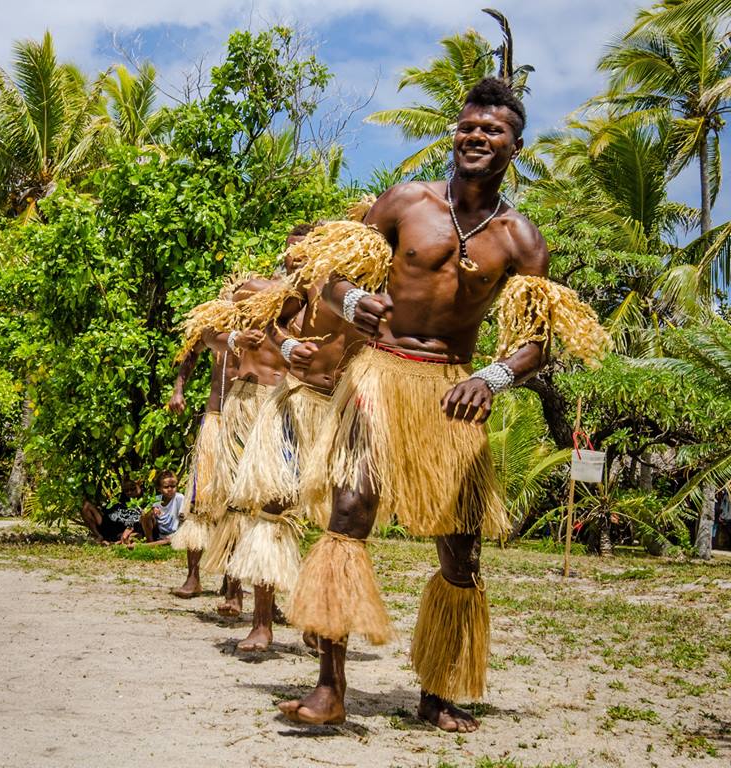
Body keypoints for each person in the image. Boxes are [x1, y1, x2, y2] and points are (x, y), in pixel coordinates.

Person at [277, 77, 609, 730]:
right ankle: (330, 688)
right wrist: (351, 302)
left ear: (516, 146)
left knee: (461, 551)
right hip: (379, 373)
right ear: (455, 134)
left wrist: (490, 377)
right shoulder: (407, 201)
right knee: (348, 511)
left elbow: (539, 340)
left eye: (492, 131)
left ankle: (438, 691)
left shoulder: (520, 238)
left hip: (453, 387)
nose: (476, 137)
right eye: (468, 127)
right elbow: (329, 274)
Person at [225, 217, 369, 651]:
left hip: (343, 408)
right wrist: (287, 346)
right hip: (297, 400)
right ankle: (262, 623)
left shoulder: (378, 283)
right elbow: (271, 322)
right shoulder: (311, 282)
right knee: (273, 505)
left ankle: (316, 616)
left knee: (336, 519)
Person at [200, 264, 297, 619]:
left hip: (287, 403)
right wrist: (233, 340)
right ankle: (233, 588)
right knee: (237, 496)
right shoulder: (253, 291)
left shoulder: (315, 303)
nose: (298, 264)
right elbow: (208, 334)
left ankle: (267, 598)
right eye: (294, 256)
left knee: (276, 503)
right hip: (248, 399)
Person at [167, 278, 244, 598]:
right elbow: (190, 354)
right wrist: (178, 389)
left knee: (239, 503)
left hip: (244, 421)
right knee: (200, 499)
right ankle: (193, 576)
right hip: (214, 420)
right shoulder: (212, 329)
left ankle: (233, 579)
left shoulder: (259, 329)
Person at [136, 470, 184, 545]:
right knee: (145, 514)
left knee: (169, 541)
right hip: (161, 534)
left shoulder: (179, 498)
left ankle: (146, 546)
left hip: (176, 534)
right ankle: (150, 541)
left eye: (173, 486)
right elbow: (143, 517)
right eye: (166, 487)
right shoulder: (156, 500)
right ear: (159, 488)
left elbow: (183, 518)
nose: (170, 489)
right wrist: (151, 510)